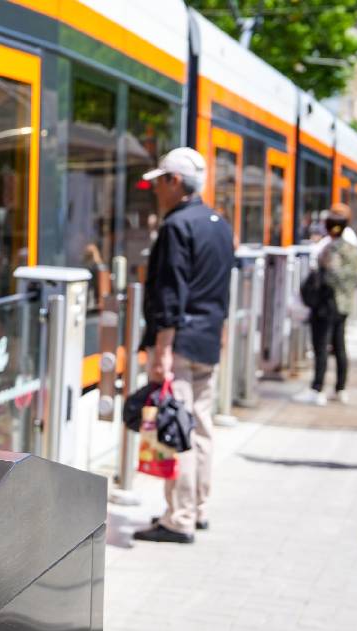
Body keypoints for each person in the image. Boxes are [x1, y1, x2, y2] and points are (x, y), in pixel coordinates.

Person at [132, 147, 235, 544]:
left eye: (159, 181)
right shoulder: (218, 223)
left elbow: (170, 293)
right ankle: (200, 508)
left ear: (175, 181)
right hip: (208, 339)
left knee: (178, 429)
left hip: (180, 342)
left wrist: (162, 350)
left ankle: (180, 518)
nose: (155, 189)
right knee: (203, 426)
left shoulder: (176, 227)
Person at [293, 203, 357, 406]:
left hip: (326, 305)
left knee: (321, 347)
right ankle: (340, 388)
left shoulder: (330, 249)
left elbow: (330, 276)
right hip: (344, 305)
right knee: (340, 346)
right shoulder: (352, 248)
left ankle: (317, 389)